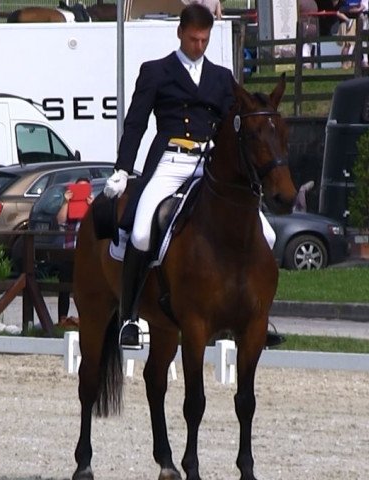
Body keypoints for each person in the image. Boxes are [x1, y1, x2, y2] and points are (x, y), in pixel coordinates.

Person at [102, 4, 277, 349]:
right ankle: (130, 317)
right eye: (194, 39)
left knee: (267, 235)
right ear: (181, 33)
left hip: (207, 164)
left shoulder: (221, 77)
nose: (199, 46)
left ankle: (257, 315)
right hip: (170, 161)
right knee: (139, 233)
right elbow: (136, 124)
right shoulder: (156, 72)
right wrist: (122, 168)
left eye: (204, 39)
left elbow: (236, 125)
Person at [55, 177, 93, 328]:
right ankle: (62, 319)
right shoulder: (69, 206)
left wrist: (92, 206)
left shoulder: (92, 206)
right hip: (69, 251)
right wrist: (66, 201)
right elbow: (60, 220)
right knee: (64, 286)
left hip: (86, 254)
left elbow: (97, 223)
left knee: (84, 287)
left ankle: (85, 319)